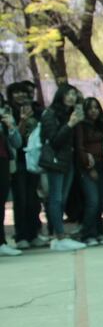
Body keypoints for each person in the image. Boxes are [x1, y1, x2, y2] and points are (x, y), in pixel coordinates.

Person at [40, 84, 86, 251]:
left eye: (74, 94)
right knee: (56, 199)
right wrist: (70, 124)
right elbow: (54, 141)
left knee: (62, 200)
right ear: (60, 95)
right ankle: (59, 236)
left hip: (68, 162)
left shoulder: (70, 113)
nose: (71, 97)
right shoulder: (50, 114)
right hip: (55, 162)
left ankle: (58, 236)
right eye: (68, 94)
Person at [7, 82, 44, 249]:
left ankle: (34, 233)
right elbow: (16, 140)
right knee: (21, 199)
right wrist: (22, 121)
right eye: (16, 93)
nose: (20, 95)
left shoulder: (36, 111)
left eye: (23, 92)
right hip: (19, 161)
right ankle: (21, 236)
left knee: (33, 199)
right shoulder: (9, 112)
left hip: (34, 160)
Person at [75, 97, 103, 246]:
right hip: (87, 168)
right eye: (90, 108)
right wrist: (89, 167)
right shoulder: (81, 126)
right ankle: (87, 234)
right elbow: (79, 147)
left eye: (96, 107)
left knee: (100, 202)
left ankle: (98, 232)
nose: (94, 111)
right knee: (92, 201)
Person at [0, 93, 23, 256]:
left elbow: (17, 143)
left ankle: (1, 242)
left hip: (3, 162)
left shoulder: (5, 119)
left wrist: (11, 127)